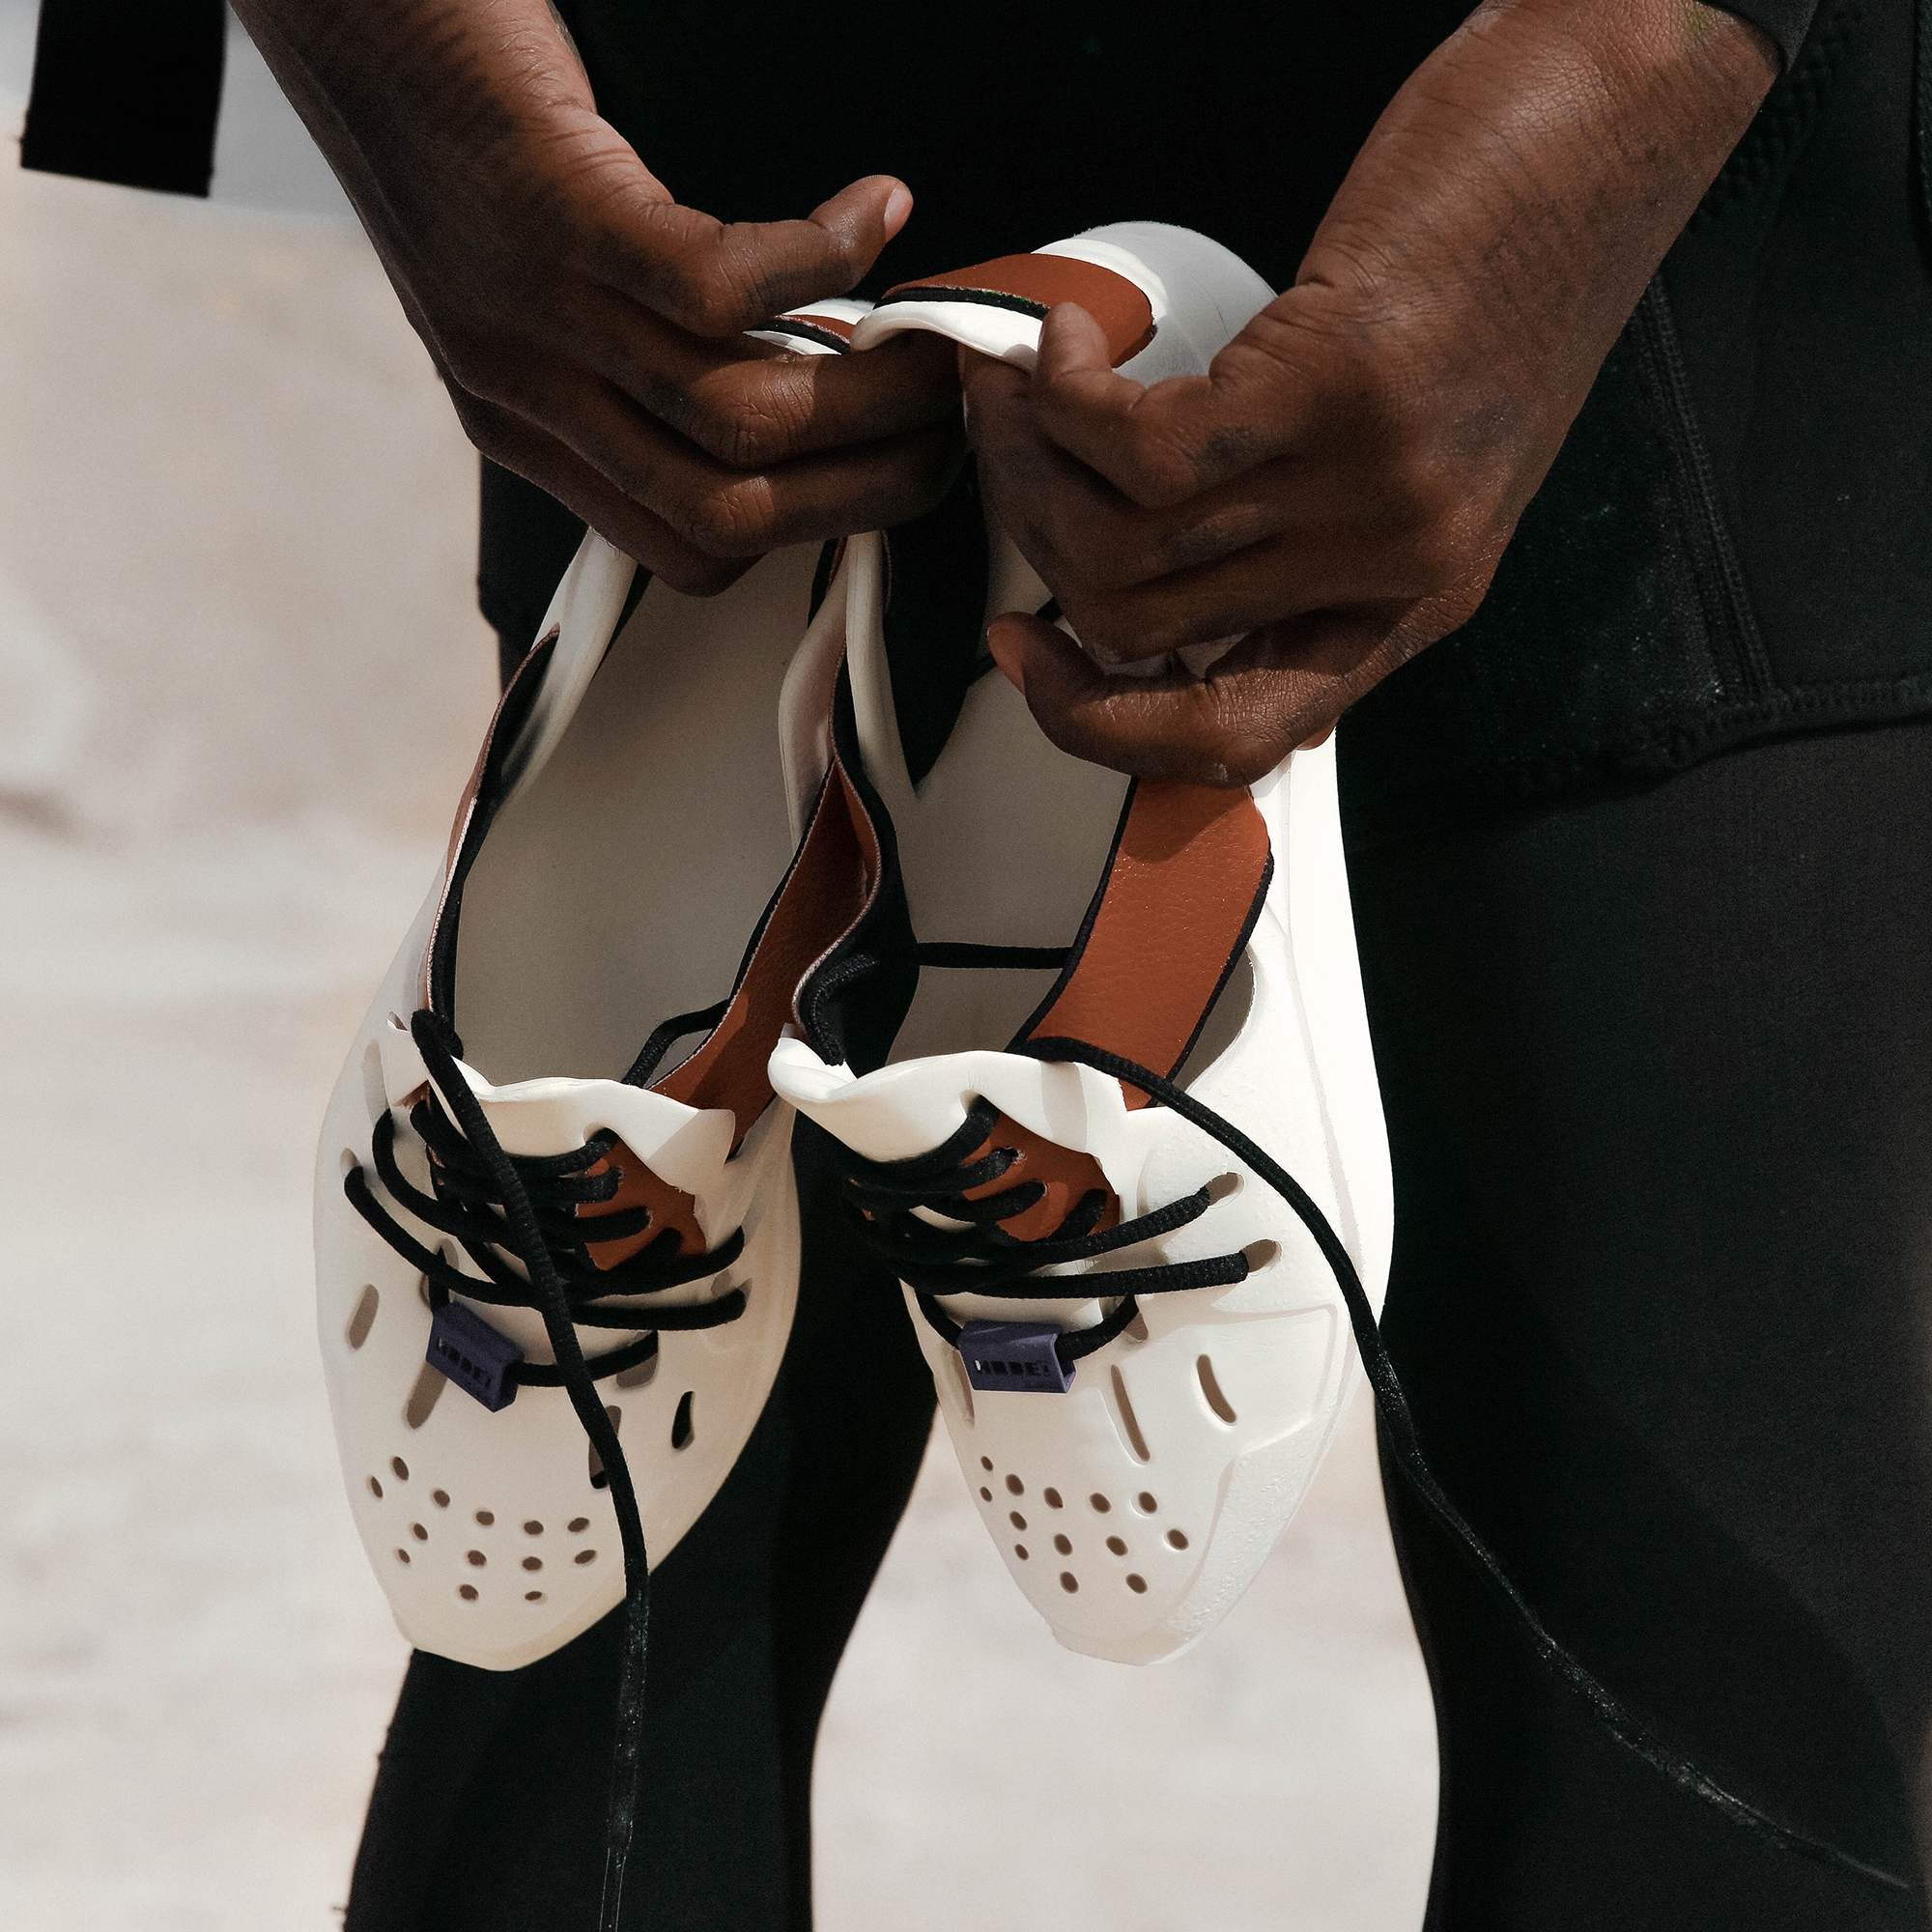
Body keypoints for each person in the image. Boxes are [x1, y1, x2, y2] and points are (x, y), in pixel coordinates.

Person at [28, 0, 1932, 1923]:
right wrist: (420, 89)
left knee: (1699, 1612)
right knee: (590, 1582)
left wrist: (1626, 72)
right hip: (712, 167)